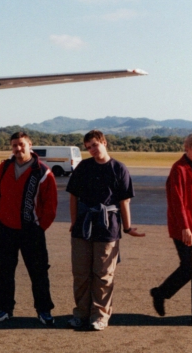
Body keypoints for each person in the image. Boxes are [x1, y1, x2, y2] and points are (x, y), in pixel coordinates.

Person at [66, 130, 145, 331]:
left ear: (104, 143)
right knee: (81, 273)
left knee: (103, 274)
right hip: (83, 226)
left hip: (108, 227)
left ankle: (100, 315)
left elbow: (124, 201)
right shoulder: (83, 167)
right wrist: (74, 221)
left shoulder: (119, 169)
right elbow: (73, 196)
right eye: (88, 147)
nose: (92, 150)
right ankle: (81, 313)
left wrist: (127, 228)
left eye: (94, 145)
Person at [0, 131, 57, 326]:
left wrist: (40, 227)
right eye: (14, 145)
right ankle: (4, 309)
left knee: (39, 273)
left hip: (31, 231)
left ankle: (44, 311)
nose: (18, 149)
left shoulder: (43, 172)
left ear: (30, 145)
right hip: (5, 230)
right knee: (5, 273)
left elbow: (50, 206)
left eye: (21, 145)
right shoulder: (4, 168)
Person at [150, 132, 192, 328]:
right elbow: (176, 202)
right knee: (191, 268)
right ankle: (160, 293)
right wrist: (184, 227)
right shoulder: (178, 169)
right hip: (185, 227)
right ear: (187, 147)